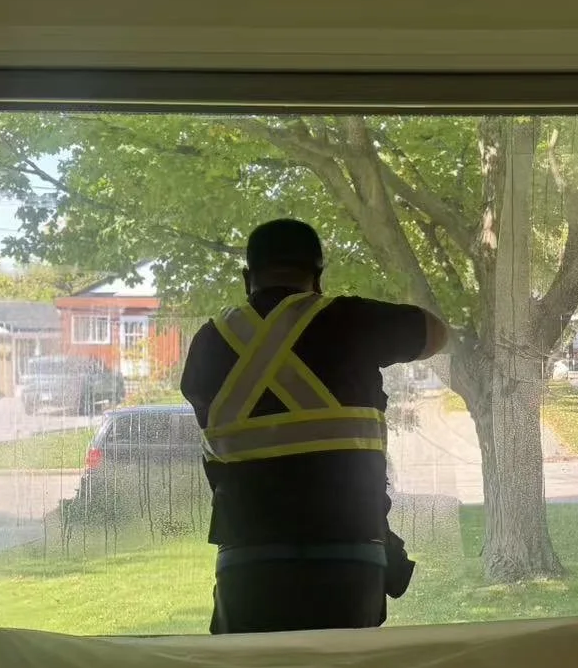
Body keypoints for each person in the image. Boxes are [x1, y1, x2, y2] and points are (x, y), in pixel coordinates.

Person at [180, 219, 448, 634]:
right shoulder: (349, 321)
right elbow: (436, 333)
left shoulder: (208, 343)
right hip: (350, 555)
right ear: (318, 278)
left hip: (248, 558)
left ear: (246, 278)